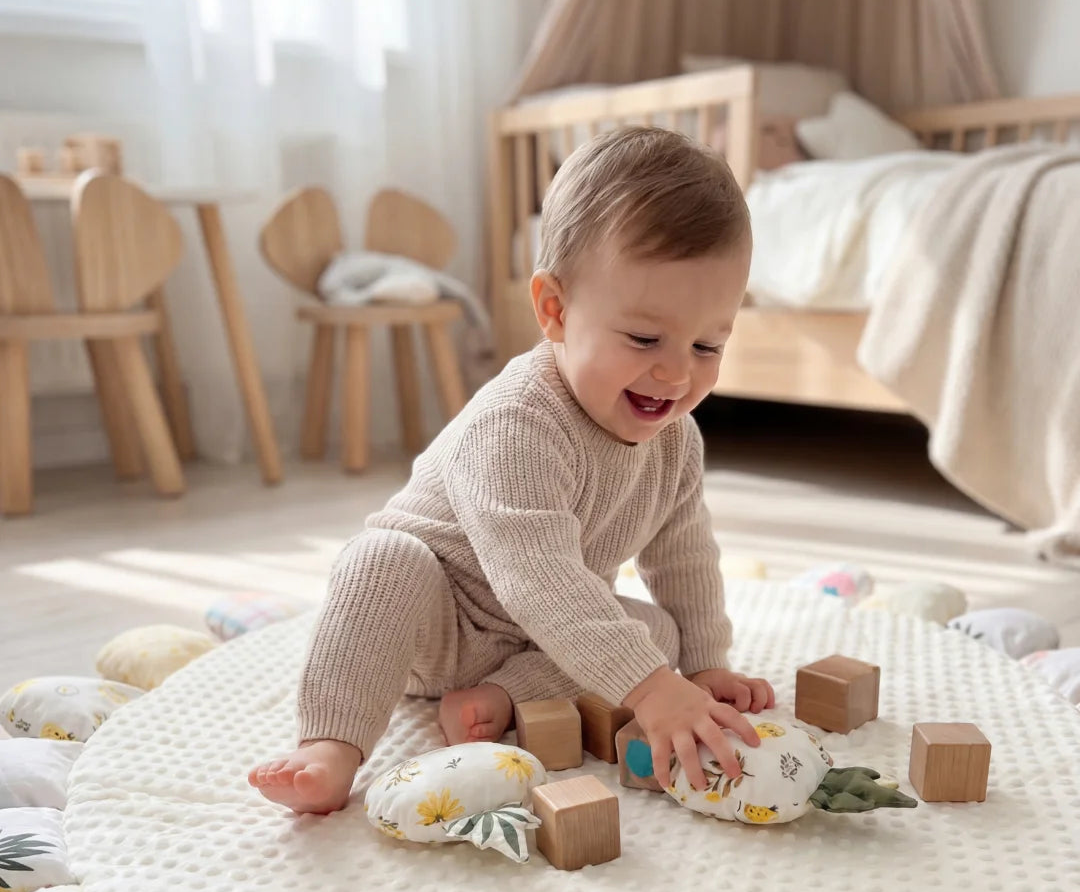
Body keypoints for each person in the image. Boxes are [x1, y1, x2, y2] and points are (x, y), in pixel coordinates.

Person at [251, 126, 774, 815]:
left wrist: (705, 665)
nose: (676, 372)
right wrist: (651, 691)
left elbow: (683, 556)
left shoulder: (676, 440)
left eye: (708, 344)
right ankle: (331, 746)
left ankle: (497, 699)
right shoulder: (517, 423)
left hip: (536, 633)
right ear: (555, 311)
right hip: (437, 619)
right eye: (645, 338)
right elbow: (541, 578)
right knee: (381, 561)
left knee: (657, 634)